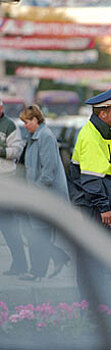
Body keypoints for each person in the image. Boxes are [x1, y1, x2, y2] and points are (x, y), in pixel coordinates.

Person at [19, 105, 71, 281]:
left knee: (38, 233)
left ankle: (37, 271)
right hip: (37, 194)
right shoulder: (35, 136)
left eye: (26, 122)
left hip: (45, 195)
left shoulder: (45, 137)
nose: (24, 125)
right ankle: (54, 260)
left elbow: (48, 171)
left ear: (35, 120)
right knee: (35, 232)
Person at [68, 85, 111, 233]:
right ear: (103, 114)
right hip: (96, 208)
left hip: (99, 204)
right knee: (100, 251)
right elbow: (91, 178)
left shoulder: (99, 133)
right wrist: (103, 207)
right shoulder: (91, 137)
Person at [0, 98, 28, 276]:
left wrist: (1, 151)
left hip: (6, 179)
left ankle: (20, 264)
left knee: (9, 227)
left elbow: (16, 151)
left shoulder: (10, 126)